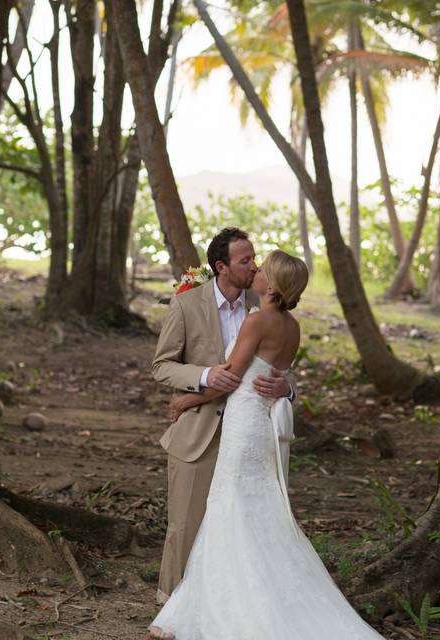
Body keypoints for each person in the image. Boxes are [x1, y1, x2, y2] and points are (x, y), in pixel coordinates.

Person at [148, 250, 386, 640]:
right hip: (260, 426)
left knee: (231, 509)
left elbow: (230, 377)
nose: (255, 271)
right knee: (252, 511)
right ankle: (206, 601)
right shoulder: (292, 326)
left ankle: (234, 610)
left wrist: (184, 401)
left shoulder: (257, 322)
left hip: (243, 425)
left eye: (263, 270)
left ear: (272, 286)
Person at [151, 228, 296, 605]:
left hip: (247, 432)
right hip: (199, 430)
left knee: (239, 524)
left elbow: (274, 365)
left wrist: (288, 389)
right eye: (245, 260)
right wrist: (201, 377)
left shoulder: (264, 304)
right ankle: (172, 604)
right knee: (185, 525)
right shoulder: (186, 304)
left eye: (254, 258)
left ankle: (226, 606)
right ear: (221, 267)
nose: (254, 265)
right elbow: (162, 366)